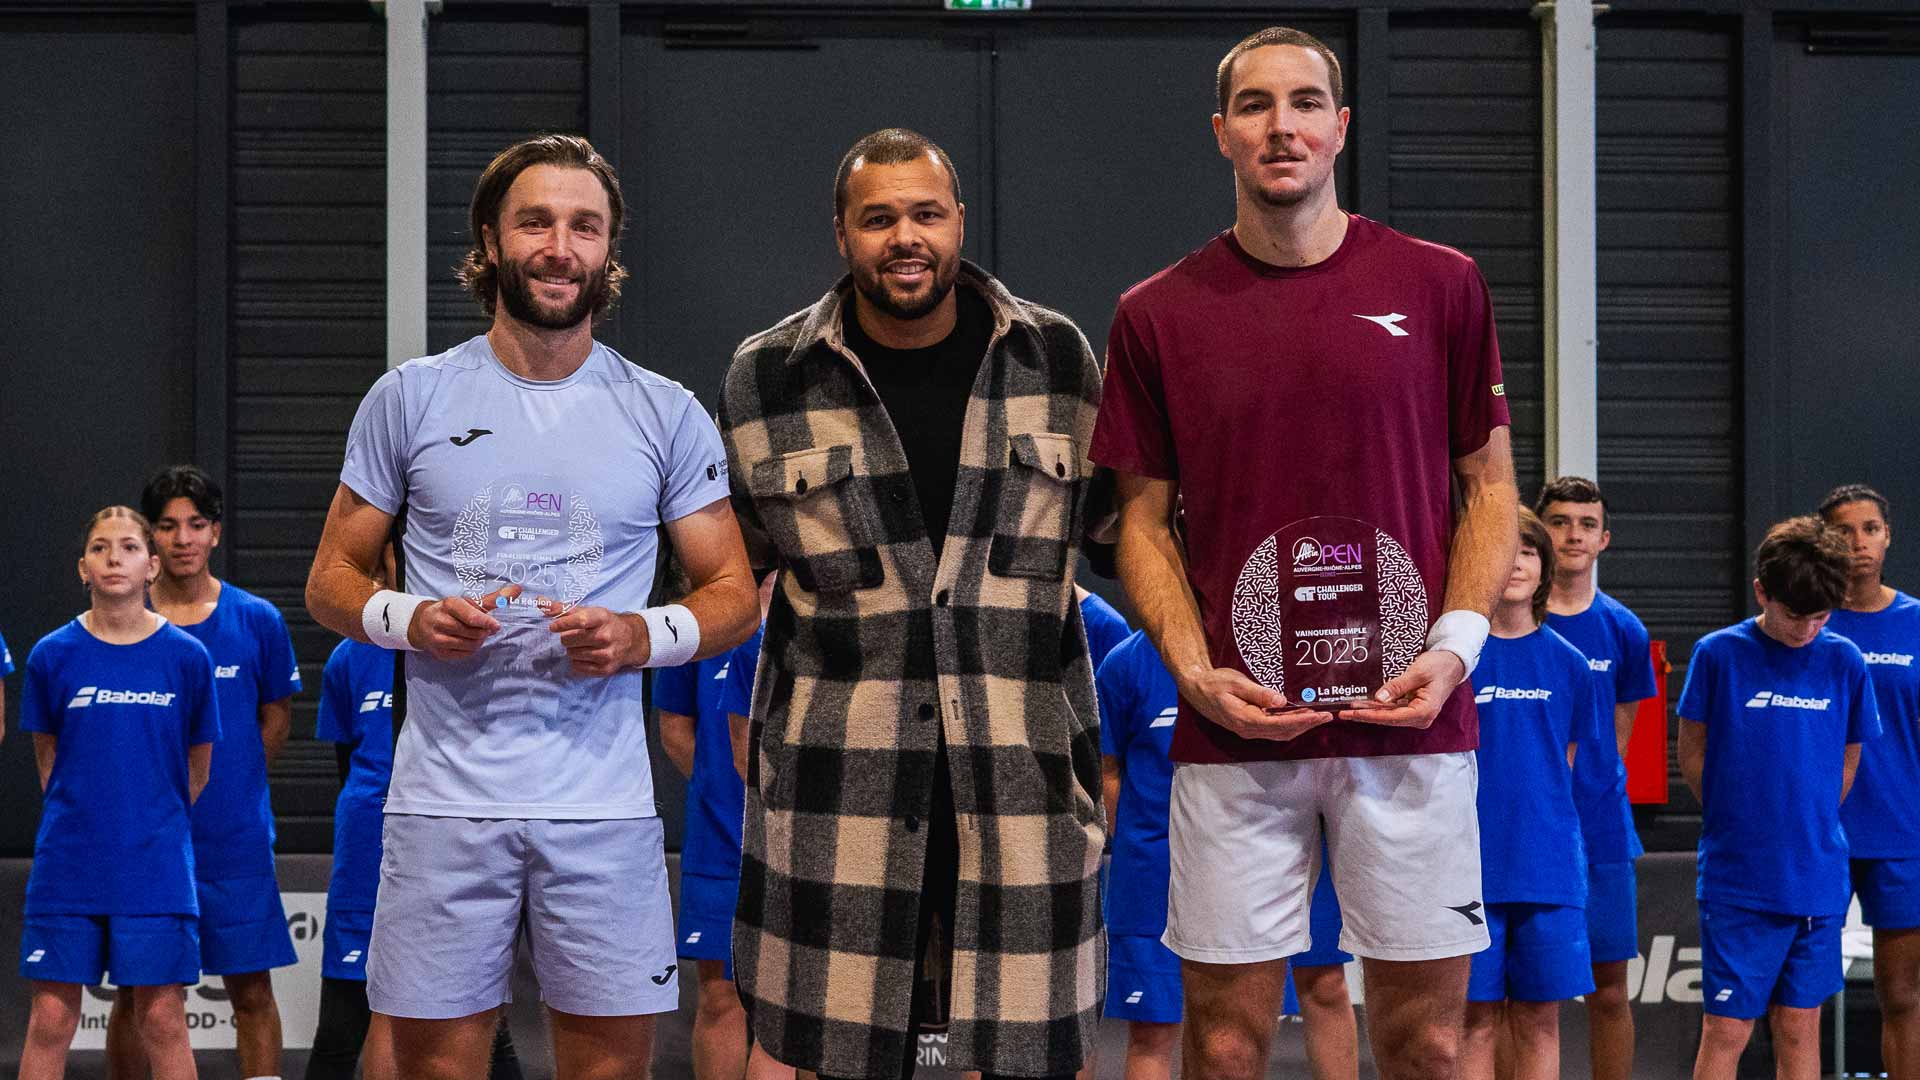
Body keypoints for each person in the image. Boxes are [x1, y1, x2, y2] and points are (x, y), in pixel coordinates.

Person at [1091, 25, 1519, 1080]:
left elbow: (1491, 487)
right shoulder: (1156, 314)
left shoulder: (1442, 284)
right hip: (1237, 728)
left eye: (1303, 102)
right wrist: (1194, 672)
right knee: (1228, 1043)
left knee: (1425, 1041)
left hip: (1413, 722)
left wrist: (1456, 647)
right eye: (1255, 105)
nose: (1281, 124)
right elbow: (1142, 521)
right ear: (1223, 134)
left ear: (1340, 126)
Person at [303, 133, 759, 1080]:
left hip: (604, 811)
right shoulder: (411, 397)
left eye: (584, 226)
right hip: (442, 808)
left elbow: (732, 596)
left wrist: (643, 634)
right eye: (536, 222)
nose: (561, 246)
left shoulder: (664, 410)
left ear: (608, 251)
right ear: (490, 240)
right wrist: (410, 618)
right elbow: (332, 581)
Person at [718, 127, 1106, 1080]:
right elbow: (732, 568)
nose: (905, 236)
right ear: (842, 233)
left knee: (1026, 1051)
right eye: (878, 217)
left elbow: (1120, 532)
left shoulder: (1055, 359)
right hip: (838, 784)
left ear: (959, 223)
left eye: (926, 213)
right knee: (828, 1049)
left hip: (1018, 780)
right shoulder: (767, 378)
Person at [102, 465, 302, 1080]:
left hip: (234, 840)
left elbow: (276, 719)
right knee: (141, 994)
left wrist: (227, 784)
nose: (183, 538)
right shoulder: (119, 625)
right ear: (151, 538)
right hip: (149, 842)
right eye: (167, 526)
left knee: (250, 992)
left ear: (215, 533)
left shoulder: (258, 620)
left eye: (196, 524)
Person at [1099, 626, 1358, 1080]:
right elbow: (1108, 771)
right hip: (1157, 870)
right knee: (1156, 1029)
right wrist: (1141, 844)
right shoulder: (1126, 662)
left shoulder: (1278, 641)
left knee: (1325, 986)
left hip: (1285, 848)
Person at [18, 507, 221, 1080]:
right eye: (101, 547)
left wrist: (149, 824)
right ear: (82, 566)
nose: (114, 557)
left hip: (155, 869)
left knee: (162, 1020)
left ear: (152, 565)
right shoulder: (51, 655)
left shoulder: (188, 658)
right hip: (68, 866)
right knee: (51, 1019)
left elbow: (197, 769)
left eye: (129, 546)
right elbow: (49, 762)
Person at [305, 548, 522, 1080]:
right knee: (347, 1021)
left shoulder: (492, 643)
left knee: (475, 1022)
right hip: (368, 845)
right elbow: (348, 764)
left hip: (460, 840)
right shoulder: (350, 658)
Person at [1679, 515, 1880, 1080]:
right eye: (1795, 615)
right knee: (1728, 1029)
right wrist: (1736, 816)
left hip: (1817, 876)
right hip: (1739, 878)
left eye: (1821, 617)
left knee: (1799, 1026)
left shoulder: (1844, 660)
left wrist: (1809, 818)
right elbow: (1693, 751)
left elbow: (1849, 757)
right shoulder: (1719, 654)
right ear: (1762, 591)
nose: (1807, 629)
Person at [1460, 508, 1601, 1080]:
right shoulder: (1454, 662)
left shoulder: (1570, 666)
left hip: (1548, 870)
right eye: (1504, 550)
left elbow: (1562, 767)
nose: (1515, 564)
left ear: (1544, 569)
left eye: (1527, 552)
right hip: (1468, 867)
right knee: (1474, 1021)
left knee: (1541, 1019)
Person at [1534, 475, 1659, 1080]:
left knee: (1609, 993)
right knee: (1527, 1000)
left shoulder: (1624, 630)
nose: (1573, 535)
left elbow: (1619, 734)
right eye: (1560, 522)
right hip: (1527, 837)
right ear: (1538, 530)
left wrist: (1593, 791)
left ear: (1604, 538)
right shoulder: (1503, 624)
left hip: (1603, 835)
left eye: (1586, 524)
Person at [658, 570, 782, 1080]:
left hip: (800, 838)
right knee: (720, 997)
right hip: (719, 833)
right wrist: (717, 785)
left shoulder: (810, 599)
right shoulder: (696, 619)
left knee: (793, 1010)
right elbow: (675, 732)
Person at [1820, 484, 1920, 1076]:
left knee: (1903, 996)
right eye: (1845, 530)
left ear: (1888, 536)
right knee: (1798, 997)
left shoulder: (1915, 622)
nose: (1858, 543)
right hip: (1819, 836)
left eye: (1870, 529)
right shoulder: (1803, 622)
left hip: (1902, 834)